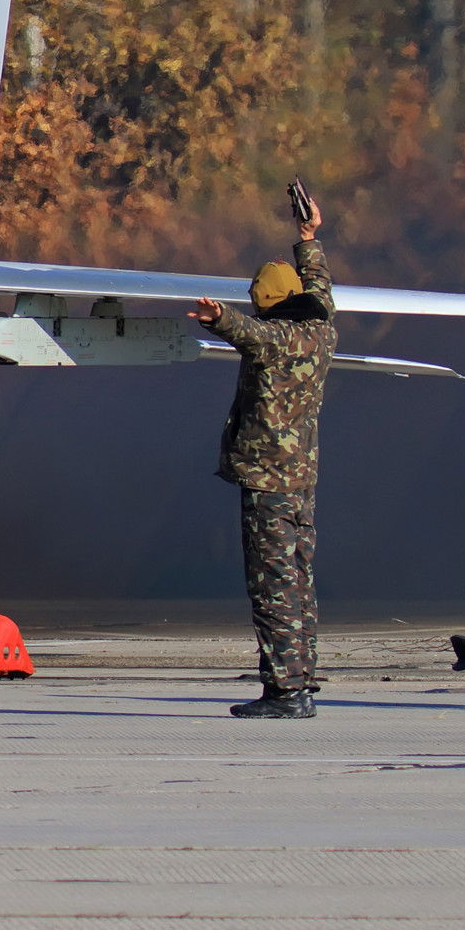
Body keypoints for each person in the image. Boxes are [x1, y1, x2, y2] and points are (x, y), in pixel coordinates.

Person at [191, 193, 336, 720]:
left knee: (272, 587)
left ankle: (285, 692)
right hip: (301, 480)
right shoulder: (321, 329)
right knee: (298, 579)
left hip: (269, 483)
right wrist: (308, 240)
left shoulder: (272, 339)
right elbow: (320, 288)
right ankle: (303, 678)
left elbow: (246, 332)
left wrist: (217, 319)